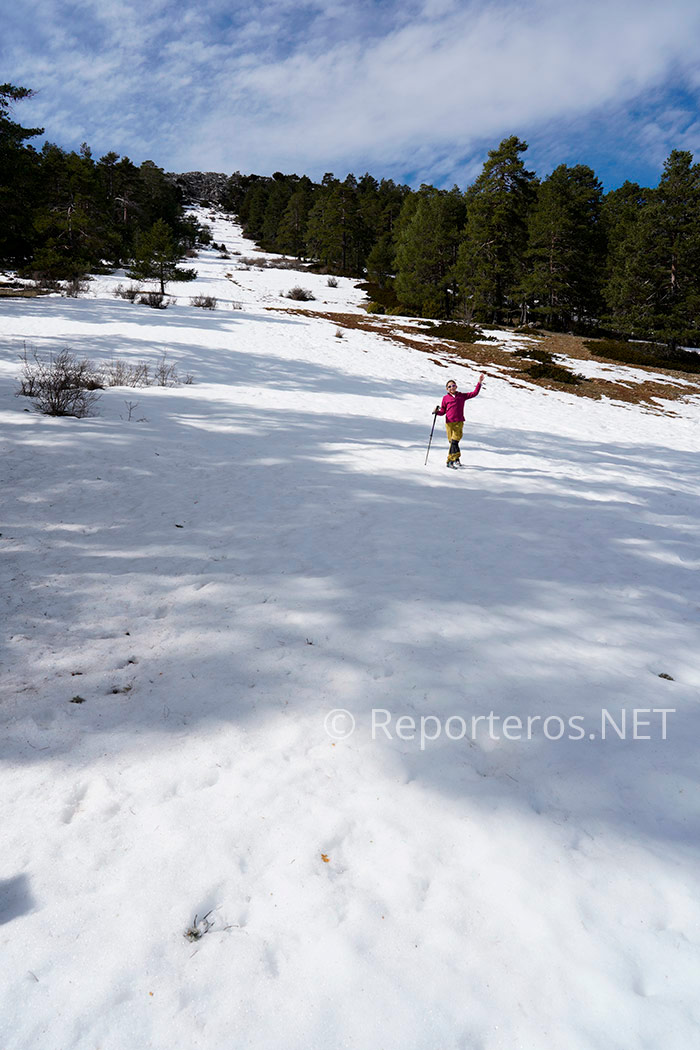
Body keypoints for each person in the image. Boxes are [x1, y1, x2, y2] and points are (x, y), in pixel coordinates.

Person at [433, 375, 484, 468]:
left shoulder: (461, 396)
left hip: (459, 422)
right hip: (449, 423)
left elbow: (474, 393)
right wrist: (437, 412)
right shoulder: (445, 398)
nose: (451, 387)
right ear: (446, 389)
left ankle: (450, 461)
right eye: (449, 386)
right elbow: (443, 411)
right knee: (452, 442)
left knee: (454, 441)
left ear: (456, 387)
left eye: (453, 385)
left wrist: (479, 383)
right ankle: (457, 458)